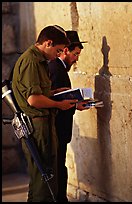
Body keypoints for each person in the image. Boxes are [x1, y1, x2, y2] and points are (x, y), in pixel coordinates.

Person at [12, 25, 78, 202]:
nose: (58, 55)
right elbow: (33, 100)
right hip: (37, 127)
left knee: (47, 179)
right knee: (44, 182)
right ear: (48, 43)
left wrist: (55, 93)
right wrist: (59, 104)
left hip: (42, 125)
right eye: (58, 50)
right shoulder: (32, 62)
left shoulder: (39, 60)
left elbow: (39, 93)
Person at [48, 30, 88, 202]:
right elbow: (55, 102)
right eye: (75, 54)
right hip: (57, 128)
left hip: (59, 129)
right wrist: (75, 105)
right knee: (57, 168)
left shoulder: (57, 68)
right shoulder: (57, 69)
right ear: (65, 51)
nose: (76, 59)